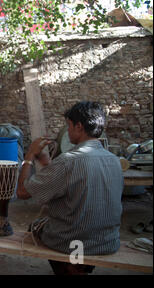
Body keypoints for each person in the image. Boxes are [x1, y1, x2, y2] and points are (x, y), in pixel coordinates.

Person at [16, 101, 124, 275]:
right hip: (108, 242)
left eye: (68, 126)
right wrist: (44, 160)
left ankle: (70, 268)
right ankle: (82, 267)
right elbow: (64, 179)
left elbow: (22, 193)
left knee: (36, 227)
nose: (67, 131)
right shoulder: (114, 161)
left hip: (71, 243)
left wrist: (29, 156)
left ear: (79, 126)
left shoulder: (68, 161)